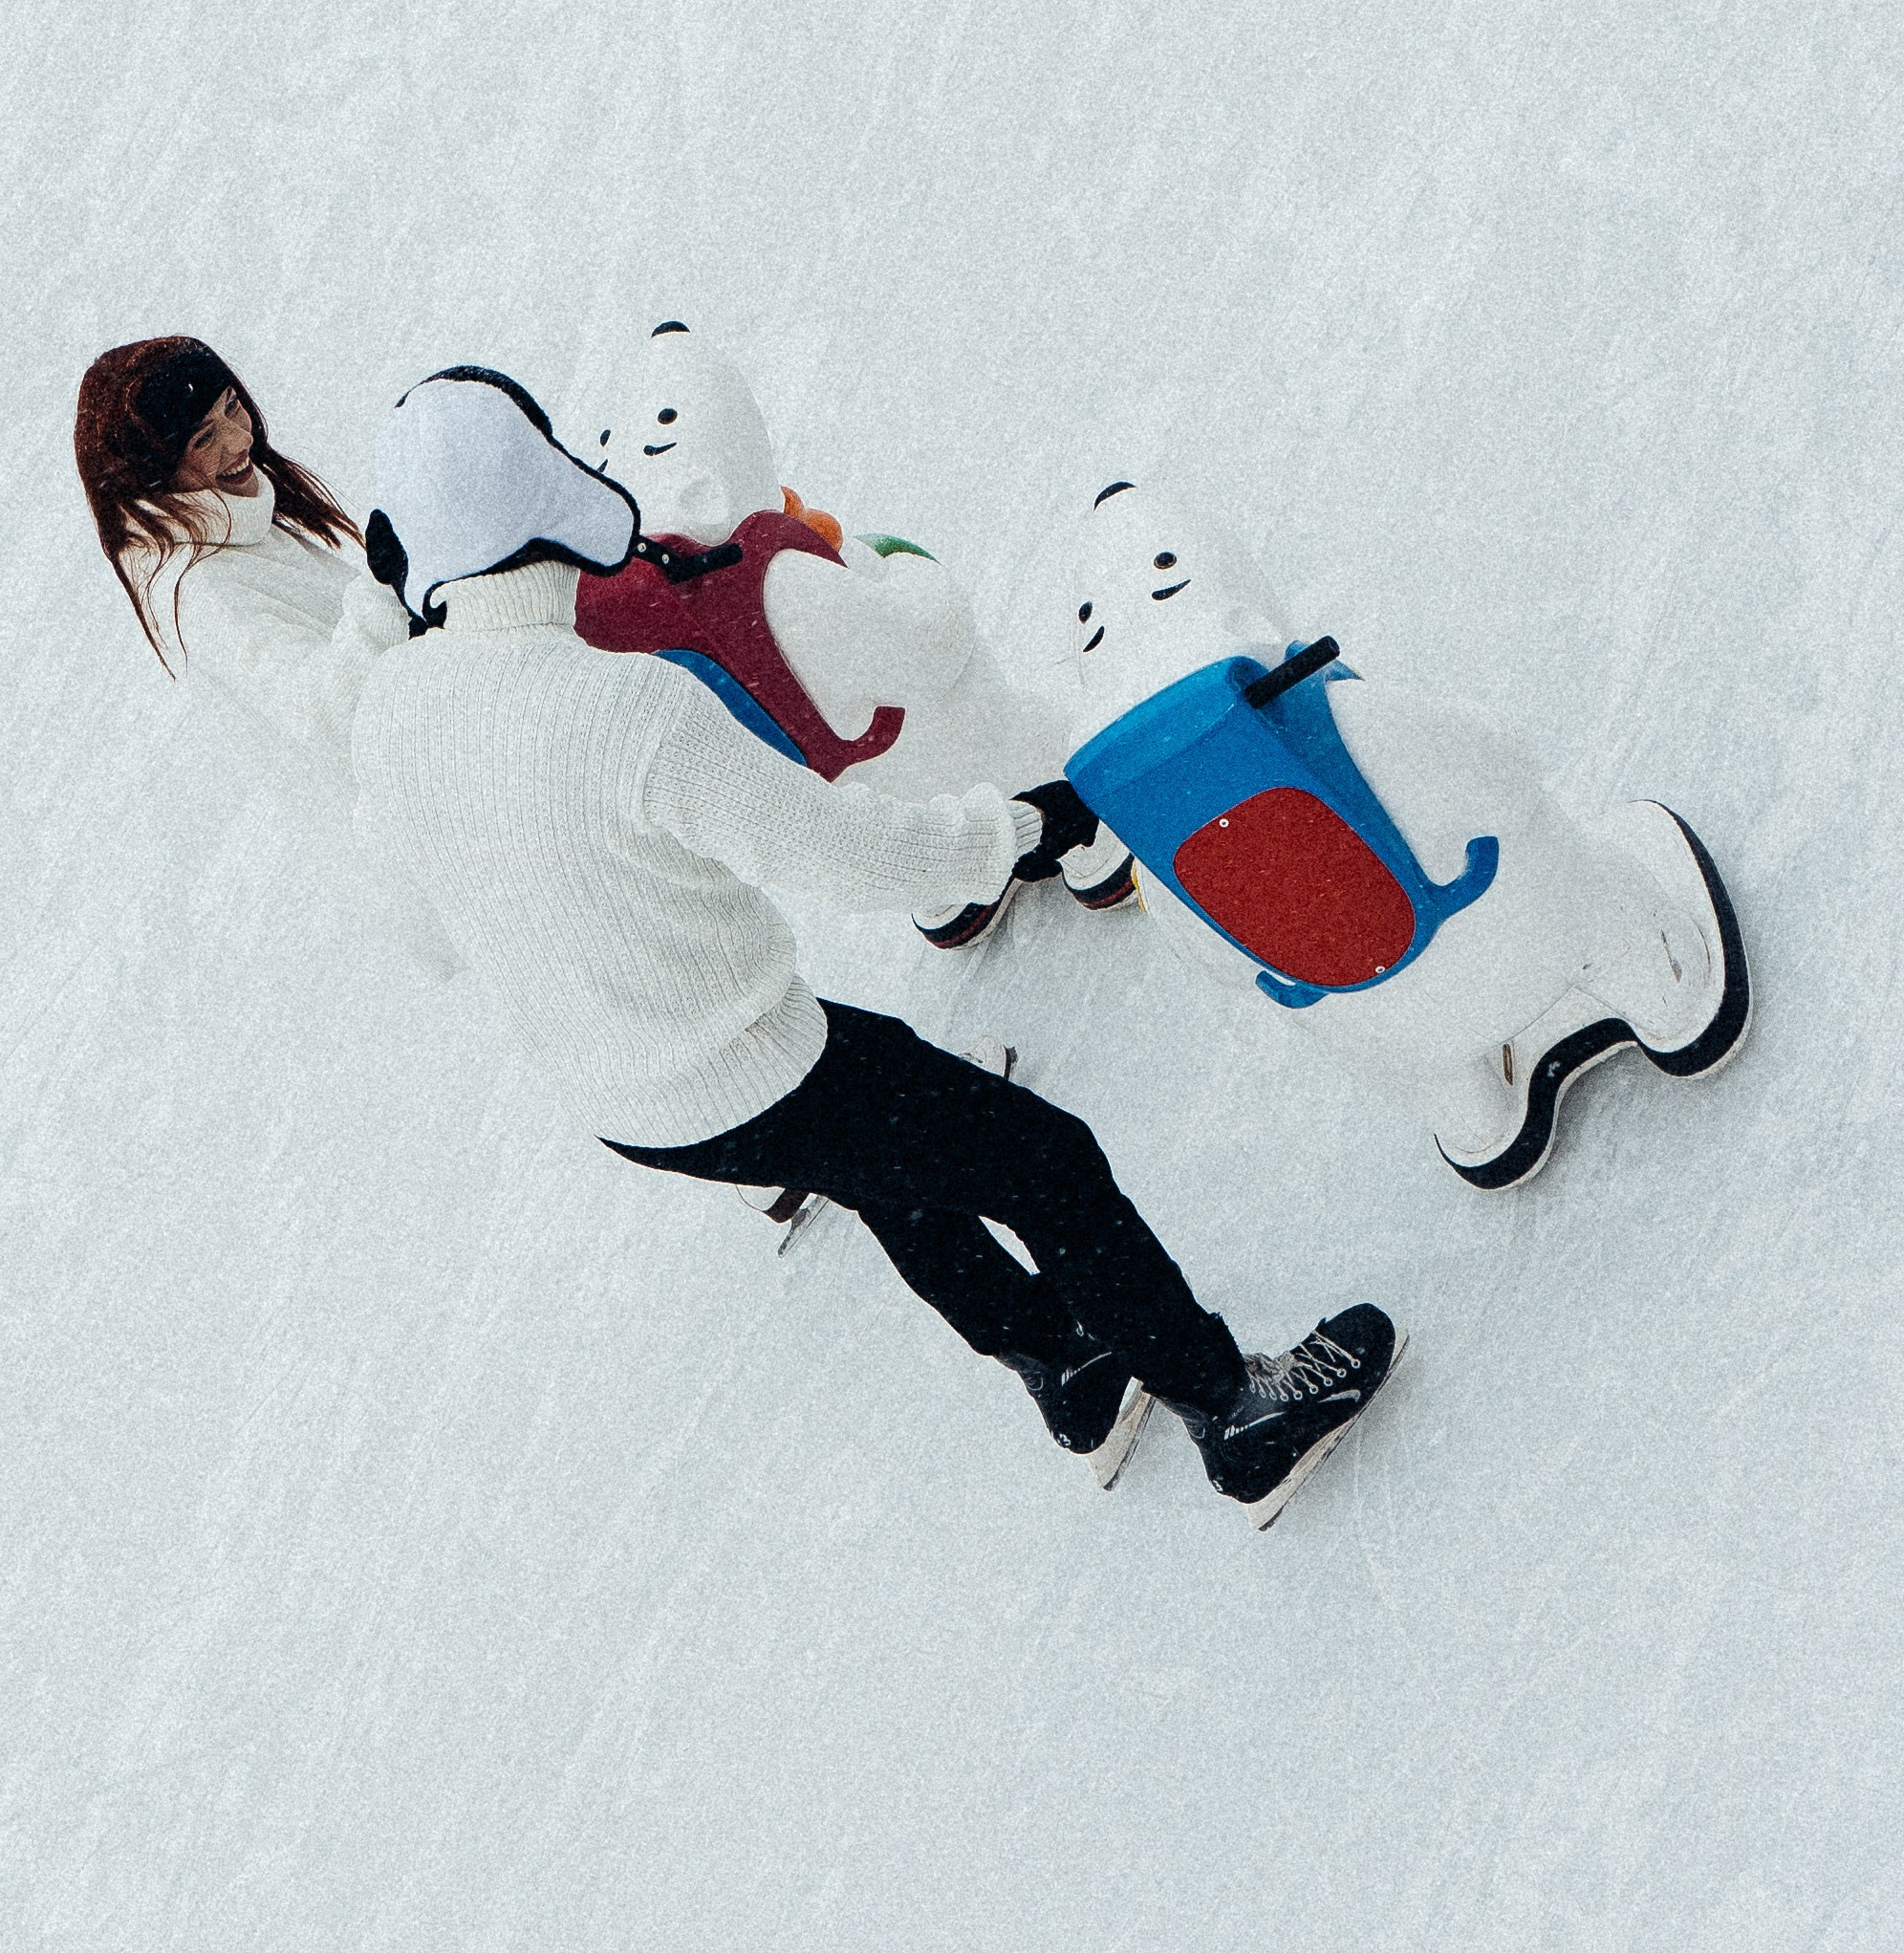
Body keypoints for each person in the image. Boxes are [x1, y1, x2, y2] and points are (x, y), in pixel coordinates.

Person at [350, 368, 1402, 1527]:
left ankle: (1074, 1373)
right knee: (1046, 1162)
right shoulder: (626, 714)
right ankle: (1232, 1409)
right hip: (741, 1062)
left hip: (622, 1100)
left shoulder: (395, 710)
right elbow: (855, 856)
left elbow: (418, 928)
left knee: (890, 1171)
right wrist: (1018, 825)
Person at [1065, 478, 1749, 1187]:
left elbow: (1221, 963)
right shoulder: (1344, 717)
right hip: (1525, 932)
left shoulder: (1155, 860)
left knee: (1412, 1046)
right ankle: (1665, 988)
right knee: (1581, 885)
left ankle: (1477, 1120)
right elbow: (1505, 768)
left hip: (1387, 1030)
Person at [578, 320, 1135, 944]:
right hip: (919, 730)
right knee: (1021, 747)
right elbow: (929, 646)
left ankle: (947, 890)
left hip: (833, 779)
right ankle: (1092, 837)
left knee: (909, 815)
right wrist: (906, 564)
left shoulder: (616, 619)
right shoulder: (777, 583)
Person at [72, 334, 455, 973]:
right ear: (155, 469)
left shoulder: (235, 524)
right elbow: (321, 709)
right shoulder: (202, 590)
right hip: (427, 850)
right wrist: (383, 588)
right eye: (201, 439)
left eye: (230, 406)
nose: (235, 438)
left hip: (438, 796)